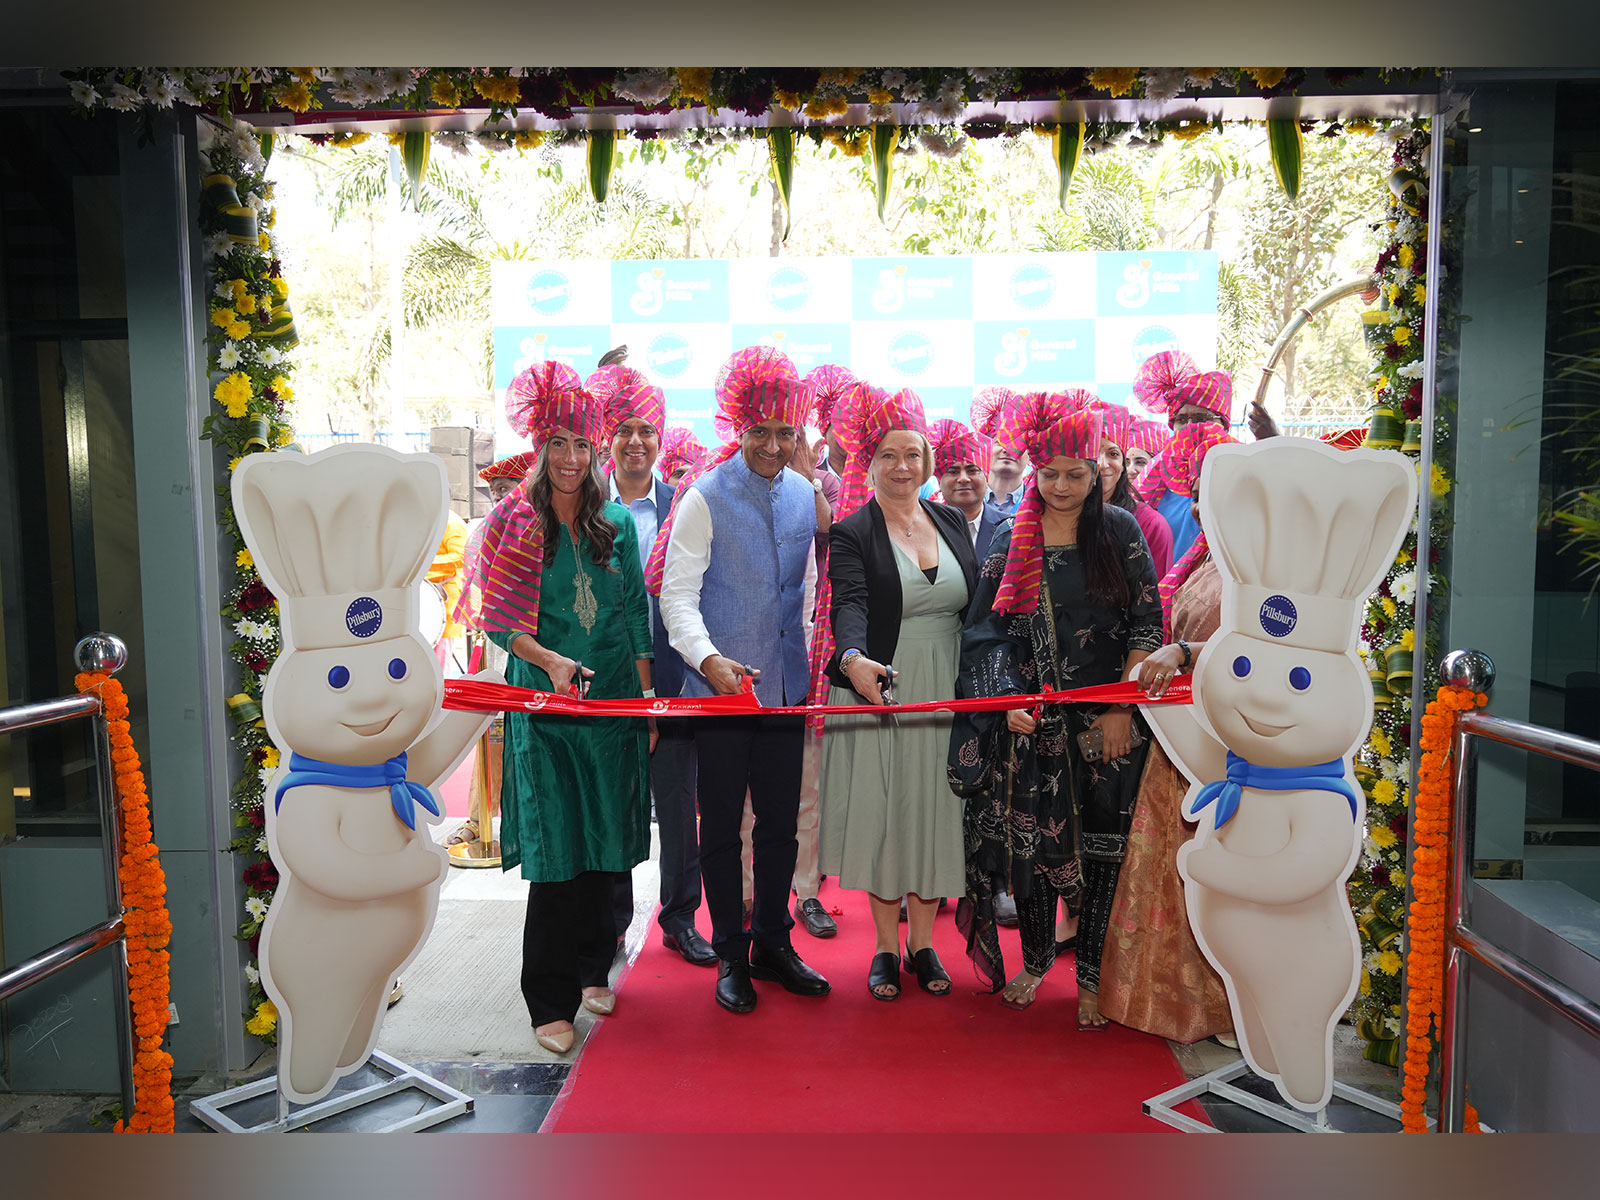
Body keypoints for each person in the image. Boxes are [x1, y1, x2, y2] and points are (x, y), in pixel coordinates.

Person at [456, 361, 653, 1056]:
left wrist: (647, 695)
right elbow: (501, 621)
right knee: (558, 848)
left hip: (614, 707)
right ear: (540, 449)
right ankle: (549, 995)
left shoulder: (618, 524)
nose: (570, 460)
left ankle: (597, 964)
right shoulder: (514, 521)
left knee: (609, 843)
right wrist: (549, 663)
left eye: (581, 446)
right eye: (559, 445)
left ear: (596, 451)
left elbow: (633, 611)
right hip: (544, 707)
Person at [948, 392, 1162, 1029]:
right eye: (1050, 474)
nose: (1062, 486)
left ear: (1097, 473)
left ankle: (1091, 977)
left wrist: (1122, 709)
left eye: (1076, 473)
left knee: (1102, 853)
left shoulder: (1120, 533)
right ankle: (1037, 960)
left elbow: (1148, 624)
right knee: (1034, 852)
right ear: (1033, 475)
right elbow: (983, 635)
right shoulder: (1010, 543)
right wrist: (1004, 704)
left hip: (1108, 727)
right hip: (1031, 731)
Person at [653, 345, 829, 1014]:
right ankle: (731, 953)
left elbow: (808, 588)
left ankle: (772, 942)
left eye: (786, 432)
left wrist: (810, 660)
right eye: (761, 431)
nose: (774, 444)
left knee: (781, 826)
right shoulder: (704, 494)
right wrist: (708, 661)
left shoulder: (804, 496)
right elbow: (677, 597)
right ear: (739, 427)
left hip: (785, 695)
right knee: (722, 828)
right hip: (720, 697)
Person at [821, 390, 976, 1000]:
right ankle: (885, 948)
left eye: (913, 454)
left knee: (936, 809)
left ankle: (924, 944)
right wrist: (854, 660)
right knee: (886, 812)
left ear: (928, 463)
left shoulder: (950, 520)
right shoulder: (853, 531)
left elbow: (979, 609)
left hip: (949, 687)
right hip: (881, 685)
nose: (903, 466)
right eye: (889, 455)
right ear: (870, 464)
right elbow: (850, 604)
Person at [1096, 429, 1238, 1044]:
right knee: (1169, 866)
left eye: (1223, 495)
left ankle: (1228, 1006)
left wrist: (1186, 650)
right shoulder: (1210, 556)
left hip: (1232, 748)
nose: (1207, 507)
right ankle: (1159, 997)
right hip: (1178, 740)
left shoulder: (1262, 570)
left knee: (1218, 873)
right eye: (1203, 494)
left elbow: (1264, 654)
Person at [596, 369, 719, 967]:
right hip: (607, 683)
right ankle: (613, 921)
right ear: (607, 437)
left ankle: (678, 916)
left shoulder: (684, 503)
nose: (637, 442)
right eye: (625, 430)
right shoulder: (586, 505)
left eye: (648, 430)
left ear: (662, 438)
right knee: (614, 805)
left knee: (678, 805)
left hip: (673, 678)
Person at [449, 452, 535, 854]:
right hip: (495, 647)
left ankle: (526, 821)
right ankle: (477, 817)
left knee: (528, 737)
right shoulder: (487, 530)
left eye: (507, 489)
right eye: (495, 491)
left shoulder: (540, 525)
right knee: (492, 734)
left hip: (538, 650)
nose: (501, 498)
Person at [1131, 351, 1235, 561]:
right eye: (1181, 419)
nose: (1190, 427)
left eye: (1201, 418)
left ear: (1223, 424)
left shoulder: (1240, 471)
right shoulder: (1154, 478)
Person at [1089, 398, 1174, 579]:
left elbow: (1156, 600)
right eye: (1093, 452)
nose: (1102, 464)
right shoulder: (1061, 515)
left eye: (1113, 454)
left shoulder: (1150, 524)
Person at [929, 418, 1006, 563]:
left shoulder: (1008, 527)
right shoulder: (925, 527)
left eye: (972, 471)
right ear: (939, 481)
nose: (963, 478)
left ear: (987, 477)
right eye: (953, 472)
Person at [970, 386, 1025, 516]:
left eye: (1015, 442)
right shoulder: (964, 500)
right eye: (998, 442)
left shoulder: (1042, 504)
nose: (1006, 449)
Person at [1124, 419, 1169, 488]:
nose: (1130, 470)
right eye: (1126, 463)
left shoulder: (1177, 497)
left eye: (1140, 462)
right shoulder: (1116, 496)